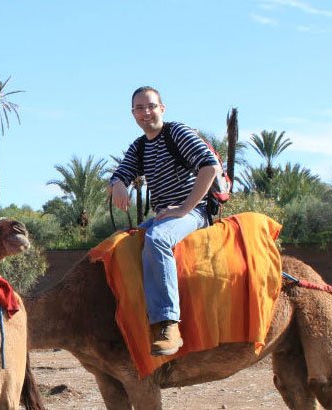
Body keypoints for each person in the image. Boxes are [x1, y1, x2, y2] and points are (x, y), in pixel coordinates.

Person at [109, 86, 221, 356]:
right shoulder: (140, 147)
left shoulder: (177, 132)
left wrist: (185, 207)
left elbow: (210, 166)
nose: (145, 112)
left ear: (162, 108)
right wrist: (118, 184)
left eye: (150, 106)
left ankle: (167, 323)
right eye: (139, 108)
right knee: (118, 244)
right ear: (133, 113)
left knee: (157, 240)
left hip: (194, 213)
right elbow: (121, 173)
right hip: (163, 216)